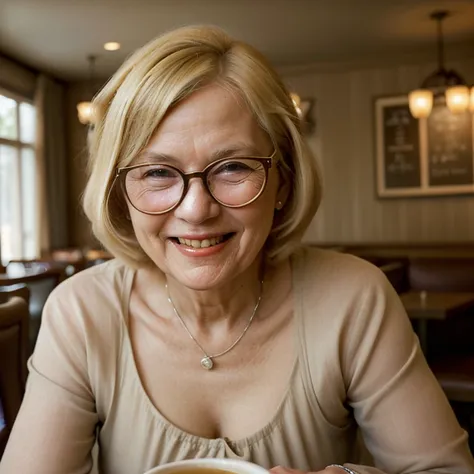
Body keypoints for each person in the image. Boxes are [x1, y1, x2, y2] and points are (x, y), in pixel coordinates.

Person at [1, 25, 473, 474]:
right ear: (120, 192)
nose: (196, 209)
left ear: (283, 181)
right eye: (158, 173)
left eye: (232, 167)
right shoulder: (82, 313)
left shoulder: (353, 297)